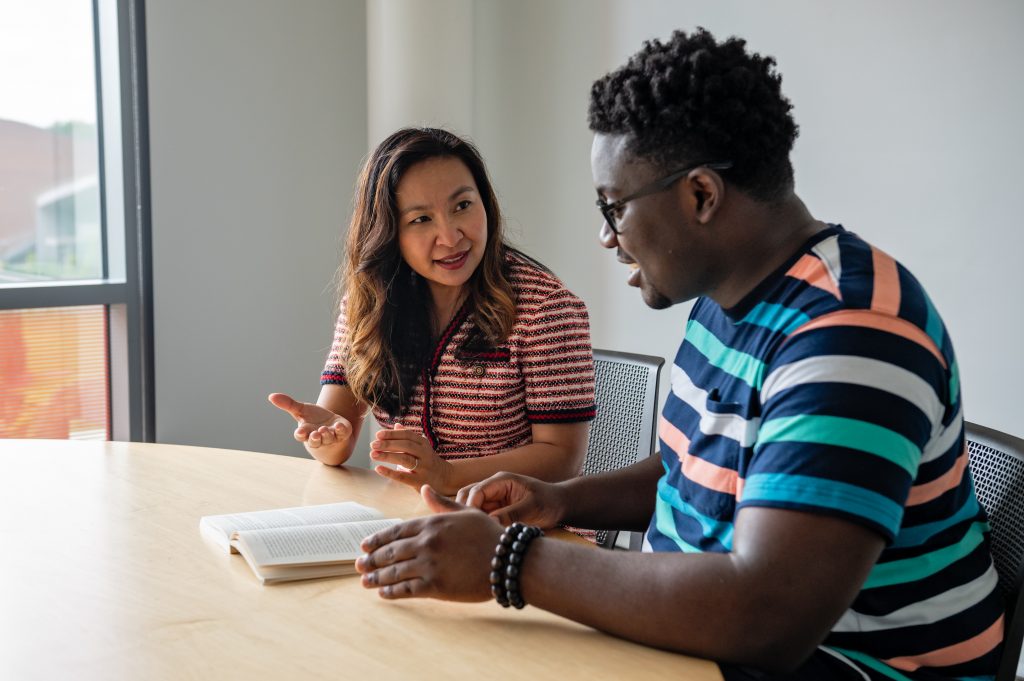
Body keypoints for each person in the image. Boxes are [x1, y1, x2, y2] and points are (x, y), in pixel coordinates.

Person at [352, 29, 1005, 680]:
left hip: (850, 664)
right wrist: (558, 500)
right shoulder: (729, 299)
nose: (606, 238)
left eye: (613, 208)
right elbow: (689, 467)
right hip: (713, 640)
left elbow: (768, 616)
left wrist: (510, 559)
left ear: (700, 195)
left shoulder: (853, 332)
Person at [269, 128, 596, 496]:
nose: (451, 236)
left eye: (462, 206)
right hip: (409, 516)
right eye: (421, 219)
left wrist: (447, 475)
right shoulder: (371, 301)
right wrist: (325, 438)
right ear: (389, 232)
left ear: (485, 203)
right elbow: (338, 434)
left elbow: (561, 459)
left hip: (516, 529)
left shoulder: (546, 309)